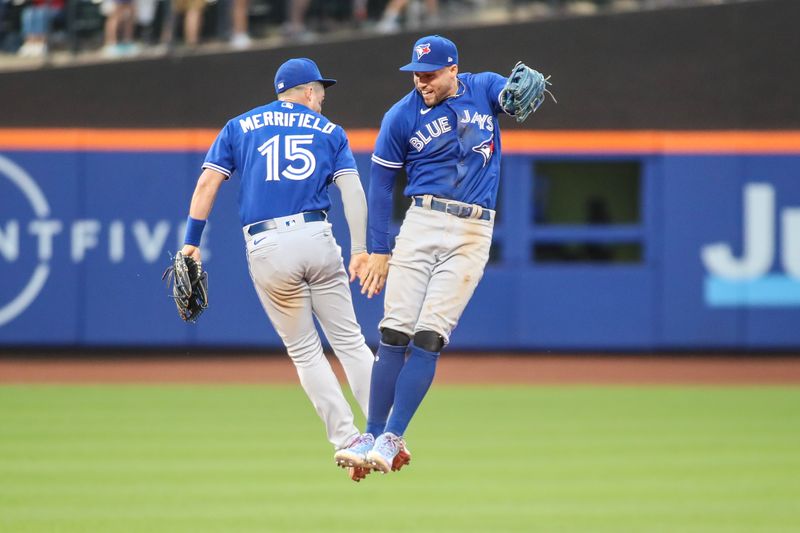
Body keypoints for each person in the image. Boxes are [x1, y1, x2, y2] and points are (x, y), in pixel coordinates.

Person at [336, 35, 550, 474]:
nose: (421, 81)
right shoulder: (400, 116)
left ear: (453, 70)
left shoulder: (483, 87)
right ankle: (371, 434)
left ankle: (393, 436)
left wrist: (512, 95)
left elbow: (510, 97)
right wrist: (378, 248)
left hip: (473, 228)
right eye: (416, 73)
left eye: (430, 74)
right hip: (421, 221)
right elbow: (379, 187)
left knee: (429, 337)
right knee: (394, 332)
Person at [179, 58, 375, 481]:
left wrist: (191, 242)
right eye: (320, 89)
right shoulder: (331, 132)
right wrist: (360, 247)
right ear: (307, 92)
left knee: (305, 352)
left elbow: (206, 184)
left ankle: (347, 439)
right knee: (350, 342)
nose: (323, 97)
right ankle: (384, 432)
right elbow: (353, 190)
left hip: (266, 245)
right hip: (316, 236)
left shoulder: (238, 126)